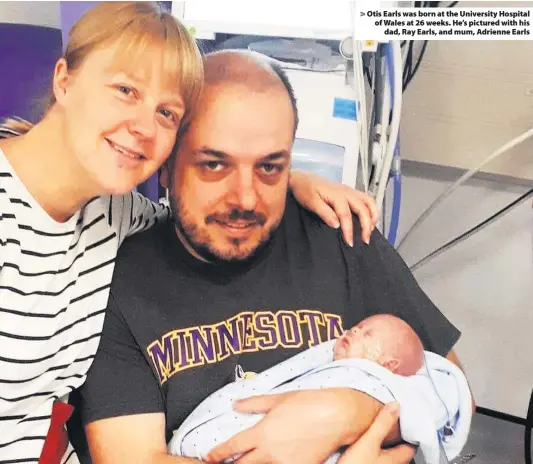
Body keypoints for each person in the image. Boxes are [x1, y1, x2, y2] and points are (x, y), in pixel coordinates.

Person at [0, 3, 379, 463]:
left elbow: (200, 214)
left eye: (165, 112)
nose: (142, 127)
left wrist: (279, 180)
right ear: (65, 80)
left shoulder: (116, 214)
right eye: (124, 90)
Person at [78, 50, 473, 464]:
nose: (246, 198)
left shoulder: (343, 238)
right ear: (165, 163)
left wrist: (350, 413)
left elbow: (455, 391)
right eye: (214, 164)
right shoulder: (123, 284)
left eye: (269, 168)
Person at [167, 314, 472, 464]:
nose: (354, 330)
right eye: (357, 326)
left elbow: (453, 399)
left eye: (367, 334)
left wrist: (350, 412)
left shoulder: (376, 380)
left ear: (390, 365)